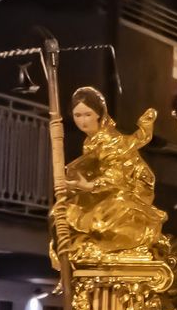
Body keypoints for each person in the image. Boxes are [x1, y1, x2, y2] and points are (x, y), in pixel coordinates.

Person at [63, 86, 166, 257]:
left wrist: (87, 186)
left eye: (88, 114)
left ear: (99, 114)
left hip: (128, 189)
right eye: (77, 115)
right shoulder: (90, 141)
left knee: (102, 221)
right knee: (65, 212)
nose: (83, 121)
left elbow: (116, 176)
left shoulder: (109, 140)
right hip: (103, 190)